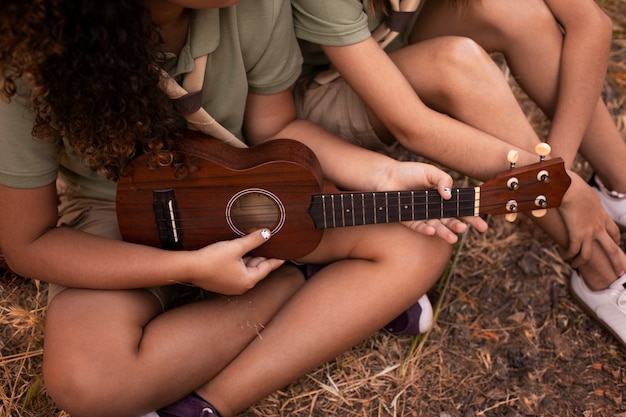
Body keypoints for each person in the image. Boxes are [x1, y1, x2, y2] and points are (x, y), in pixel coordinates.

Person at [0, 1, 487, 416]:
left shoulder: (251, 5)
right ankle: (298, 281)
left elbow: (275, 129)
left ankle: (209, 404)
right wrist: (187, 268)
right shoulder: (29, 58)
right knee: (86, 380)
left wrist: (382, 175)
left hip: (246, 190)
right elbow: (28, 243)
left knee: (420, 246)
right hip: (114, 214)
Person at [291, 0, 626, 347]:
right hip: (311, 95)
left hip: (391, 40)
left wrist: (559, 176)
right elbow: (413, 127)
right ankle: (604, 272)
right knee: (458, 63)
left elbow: (590, 22)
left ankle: (619, 186)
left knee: (514, 11)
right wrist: (561, 189)